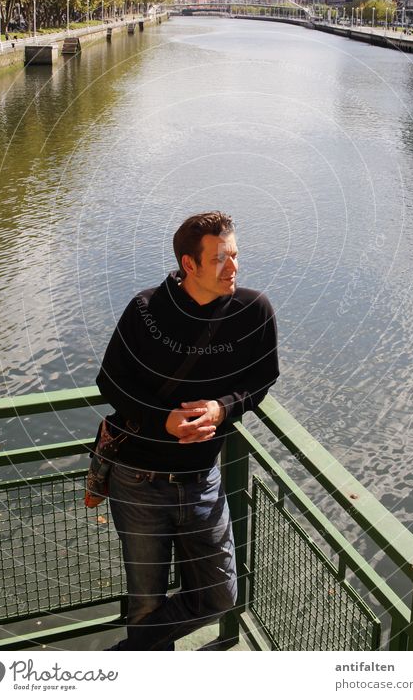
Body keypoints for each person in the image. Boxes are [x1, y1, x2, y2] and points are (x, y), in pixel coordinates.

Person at [96, 211, 279, 650]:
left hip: (203, 480)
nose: (233, 267)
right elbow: (110, 380)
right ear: (189, 264)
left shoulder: (253, 311)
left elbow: (262, 379)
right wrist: (163, 420)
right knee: (146, 601)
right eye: (220, 259)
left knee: (219, 597)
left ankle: (124, 659)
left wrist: (222, 407)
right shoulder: (146, 310)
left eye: (234, 255)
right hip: (138, 481)